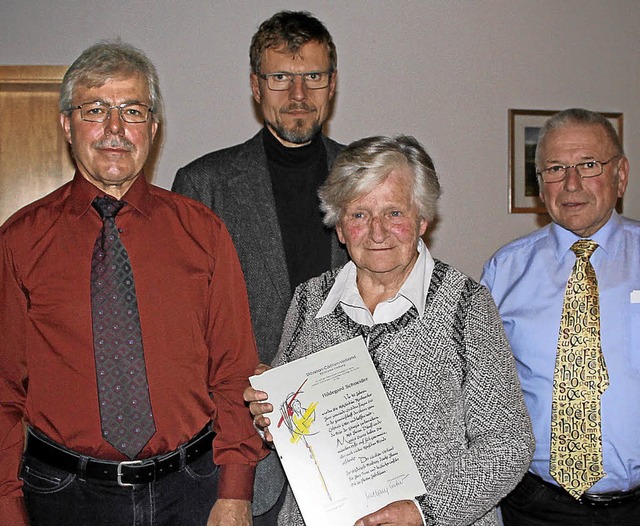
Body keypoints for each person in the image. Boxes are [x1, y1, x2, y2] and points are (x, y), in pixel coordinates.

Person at [0, 41, 265, 526]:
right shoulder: (19, 242)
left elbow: (234, 372)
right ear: (67, 123)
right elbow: (3, 392)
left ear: (154, 128)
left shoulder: (202, 232)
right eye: (96, 109)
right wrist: (7, 509)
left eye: (133, 110)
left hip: (193, 491)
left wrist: (235, 491)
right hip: (64, 498)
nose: (115, 129)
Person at [246, 135, 535, 525]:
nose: (377, 232)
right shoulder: (310, 301)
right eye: (359, 214)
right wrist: (271, 414)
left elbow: (508, 445)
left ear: (422, 220)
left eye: (394, 213)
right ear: (340, 228)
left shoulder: (465, 305)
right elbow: (292, 429)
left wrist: (423, 511)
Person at [171, 11, 348, 521]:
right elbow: (186, 332)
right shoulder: (204, 185)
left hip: (354, 449)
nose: (298, 94)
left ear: (332, 84)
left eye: (312, 76)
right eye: (280, 77)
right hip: (250, 458)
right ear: (256, 86)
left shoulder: (366, 176)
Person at [481, 108, 640, 524]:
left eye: (588, 165)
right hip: (537, 507)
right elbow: (475, 395)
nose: (571, 184)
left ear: (620, 175)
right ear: (540, 185)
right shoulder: (504, 271)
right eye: (555, 169)